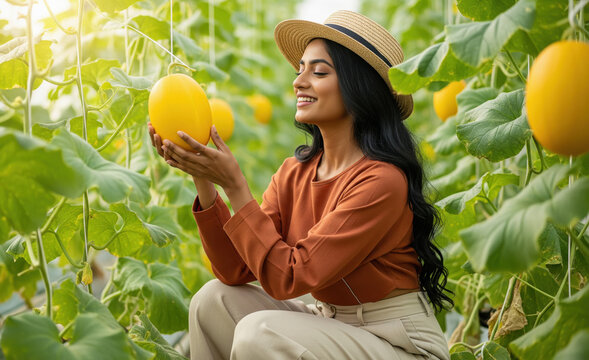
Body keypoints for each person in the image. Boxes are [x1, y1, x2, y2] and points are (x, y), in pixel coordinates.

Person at [148, 10, 452, 360]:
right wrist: (202, 174)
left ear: (359, 88)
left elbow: (291, 276)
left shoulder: (382, 181)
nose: (299, 81)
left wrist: (235, 186)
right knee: (211, 301)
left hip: (395, 344)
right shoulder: (295, 172)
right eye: (300, 70)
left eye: (318, 71)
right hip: (331, 325)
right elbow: (234, 269)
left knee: (258, 333)